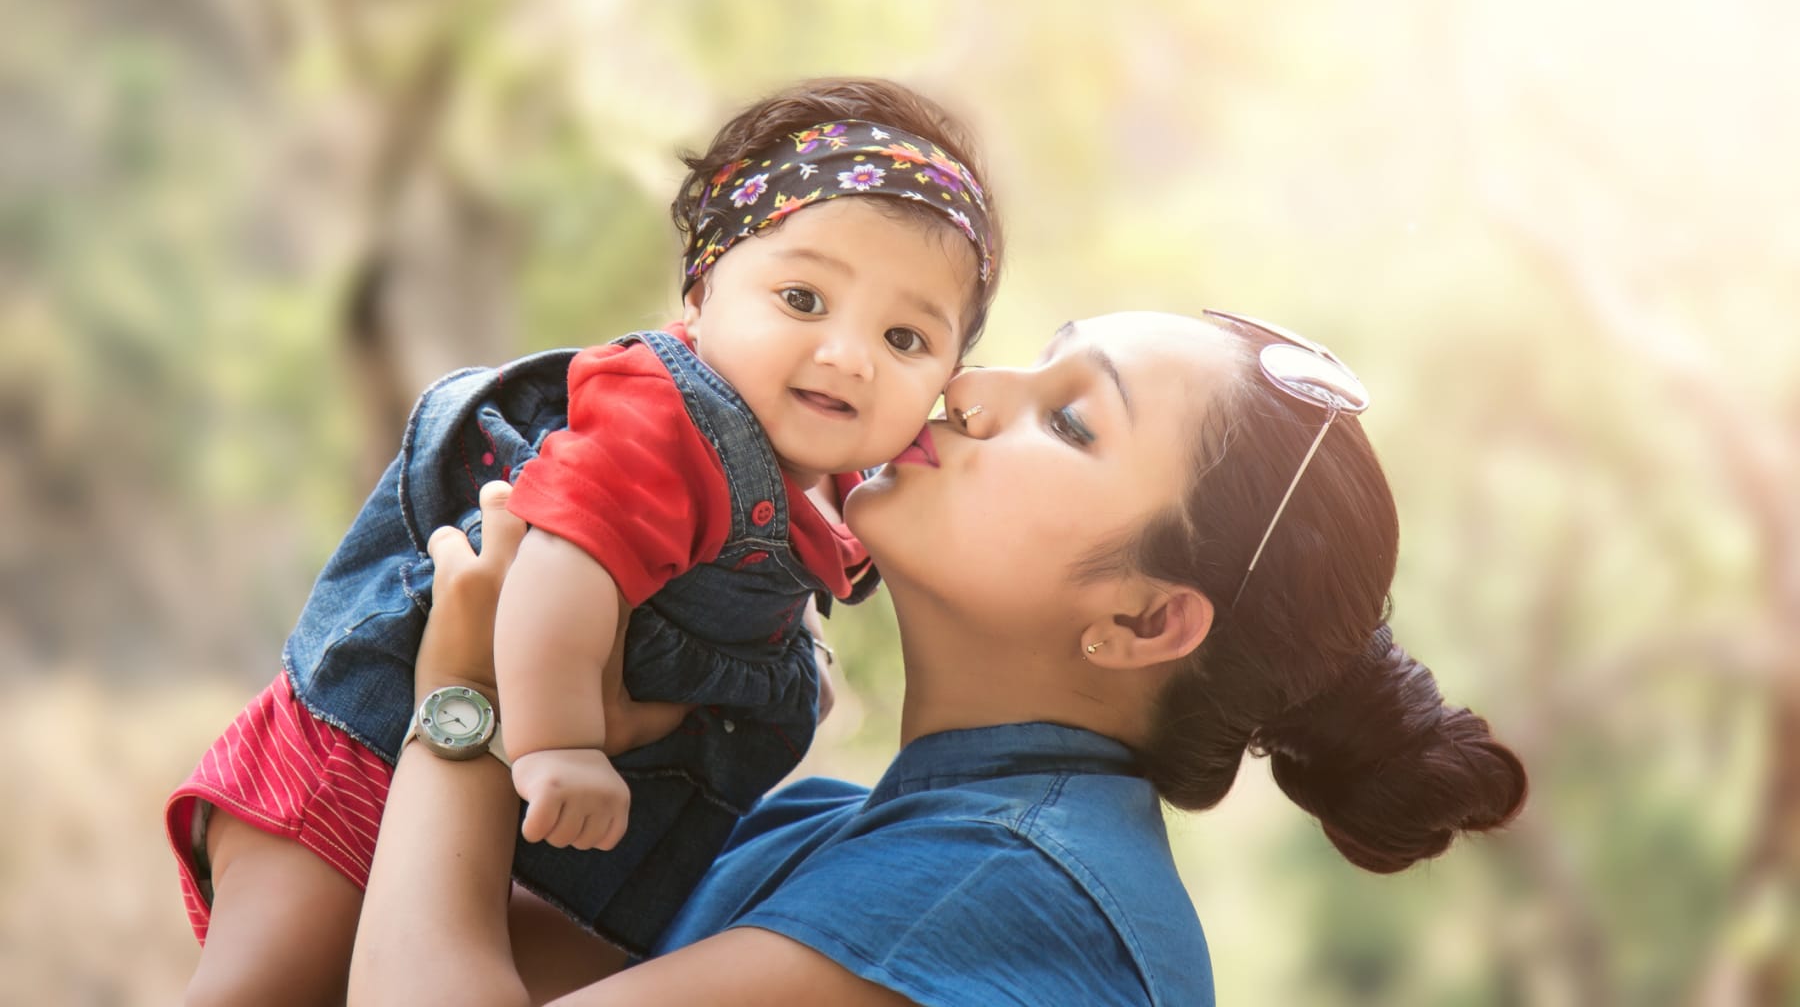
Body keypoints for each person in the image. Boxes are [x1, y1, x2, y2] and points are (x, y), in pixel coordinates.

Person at [348, 310, 1529, 1006]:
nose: (965, 388)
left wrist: (466, 698)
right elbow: (440, 948)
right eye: (1037, 356)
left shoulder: (999, 889)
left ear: (1144, 623)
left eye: (1070, 421)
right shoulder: (838, 834)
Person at [168, 79, 1006, 1004]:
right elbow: (560, 570)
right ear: (701, 290)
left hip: (507, 830)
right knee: (262, 981)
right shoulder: (665, 419)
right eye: (803, 298)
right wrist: (559, 745)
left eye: (903, 337)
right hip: (356, 753)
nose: (850, 355)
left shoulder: (844, 497)